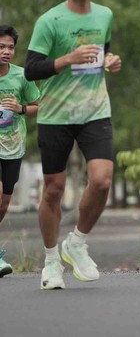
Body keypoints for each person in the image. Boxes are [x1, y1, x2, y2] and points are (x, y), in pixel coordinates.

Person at [24, 0, 122, 290]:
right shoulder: (49, 21)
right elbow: (32, 69)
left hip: (95, 110)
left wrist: (109, 61)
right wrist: (68, 58)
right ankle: (52, 260)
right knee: (54, 189)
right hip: (56, 114)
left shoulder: (105, 15)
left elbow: (103, 52)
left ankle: (77, 243)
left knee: (102, 180)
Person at [0, 25, 40, 277]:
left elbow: (38, 105)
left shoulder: (21, 76)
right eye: (1, 47)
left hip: (13, 146)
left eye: (10, 47)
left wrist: (20, 108)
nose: (6, 51)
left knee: (4, 203)